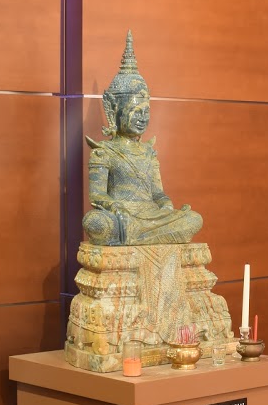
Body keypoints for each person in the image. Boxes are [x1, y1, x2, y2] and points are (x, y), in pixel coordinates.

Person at [80, 32, 204, 246]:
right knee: (95, 222)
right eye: (136, 111)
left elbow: (157, 192)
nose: (143, 118)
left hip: (152, 217)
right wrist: (116, 207)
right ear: (114, 110)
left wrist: (166, 204)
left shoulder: (148, 152)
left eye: (146, 111)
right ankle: (141, 235)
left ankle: (136, 237)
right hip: (121, 216)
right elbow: (97, 196)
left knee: (193, 219)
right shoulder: (103, 152)